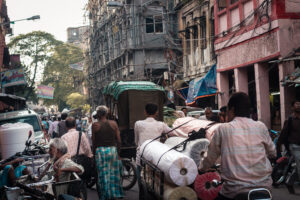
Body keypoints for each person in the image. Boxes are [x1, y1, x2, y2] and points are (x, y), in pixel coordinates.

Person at [199, 92, 276, 200]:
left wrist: (201, 168)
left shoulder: (223, 129)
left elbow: (210, 157)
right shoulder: (261, 126)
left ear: (232, 110)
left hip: (234, 190)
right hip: (264, 188)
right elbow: (273, 153)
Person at [134, 103, 175, 198]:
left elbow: (136, 141)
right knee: (155, 181)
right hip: (155, 158)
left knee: (142, 180)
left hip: (141, 156)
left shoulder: (138, 123)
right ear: (156, 113)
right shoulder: (161, 124)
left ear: (145, 112)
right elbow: (173, 132)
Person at [92, 105, 123, 200]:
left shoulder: (95, 125)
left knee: (103, 175)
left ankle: (105, 196)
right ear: (106, 113)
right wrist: (118, 153)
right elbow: (119, 140)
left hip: (100, 151)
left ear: (98, 114)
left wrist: (94, 154)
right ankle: (115, 194)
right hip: (112, 150)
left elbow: (94, 142)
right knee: (114, 173)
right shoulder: (113, 123)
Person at [277, 100, 300, 193]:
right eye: (297, 104)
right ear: (292, 107)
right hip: (294, 146)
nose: (298, 106)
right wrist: (278, 145)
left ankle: (289, 182)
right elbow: (283, 133)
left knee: (298, 166)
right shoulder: (290, 119)